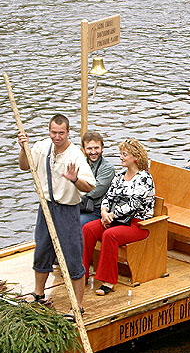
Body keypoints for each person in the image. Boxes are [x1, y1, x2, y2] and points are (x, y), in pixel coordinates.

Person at [17, 114, 96, 311]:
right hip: (45, 207)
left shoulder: (75, 155)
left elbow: (89, 187)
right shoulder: (42, 147)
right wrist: (23, 148)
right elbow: (24, 165)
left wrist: (74, 179)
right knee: (42, 249)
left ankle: (77, 306)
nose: (57, 136)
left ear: (68, 132)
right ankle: (38, 294)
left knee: (72, 256)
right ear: (49, 131)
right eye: (53, 132)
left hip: (67, 210)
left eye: (61, 133)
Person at [82, 139, 155, 296]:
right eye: (121, 154)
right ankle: (82, 273)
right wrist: (104, 212)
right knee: (88, 228)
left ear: (135, 157)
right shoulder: (119, 176)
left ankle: (108, 281)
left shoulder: (144, 178)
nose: (121, 157)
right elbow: (108, 196)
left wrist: (112, 215)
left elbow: (134, 204)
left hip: (138, 225)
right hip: (115, 219)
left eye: (124, 154)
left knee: (110, 235)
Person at [79, 131, 116, 226]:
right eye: (89, 148)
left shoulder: (107, 168)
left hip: (97, 210)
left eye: (96, 148)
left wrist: (75, 193)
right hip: (80, 205)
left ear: (102, 148)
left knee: (76, 222)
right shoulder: (80, 163)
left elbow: (95, 190)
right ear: (83, 149)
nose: (93, 152)